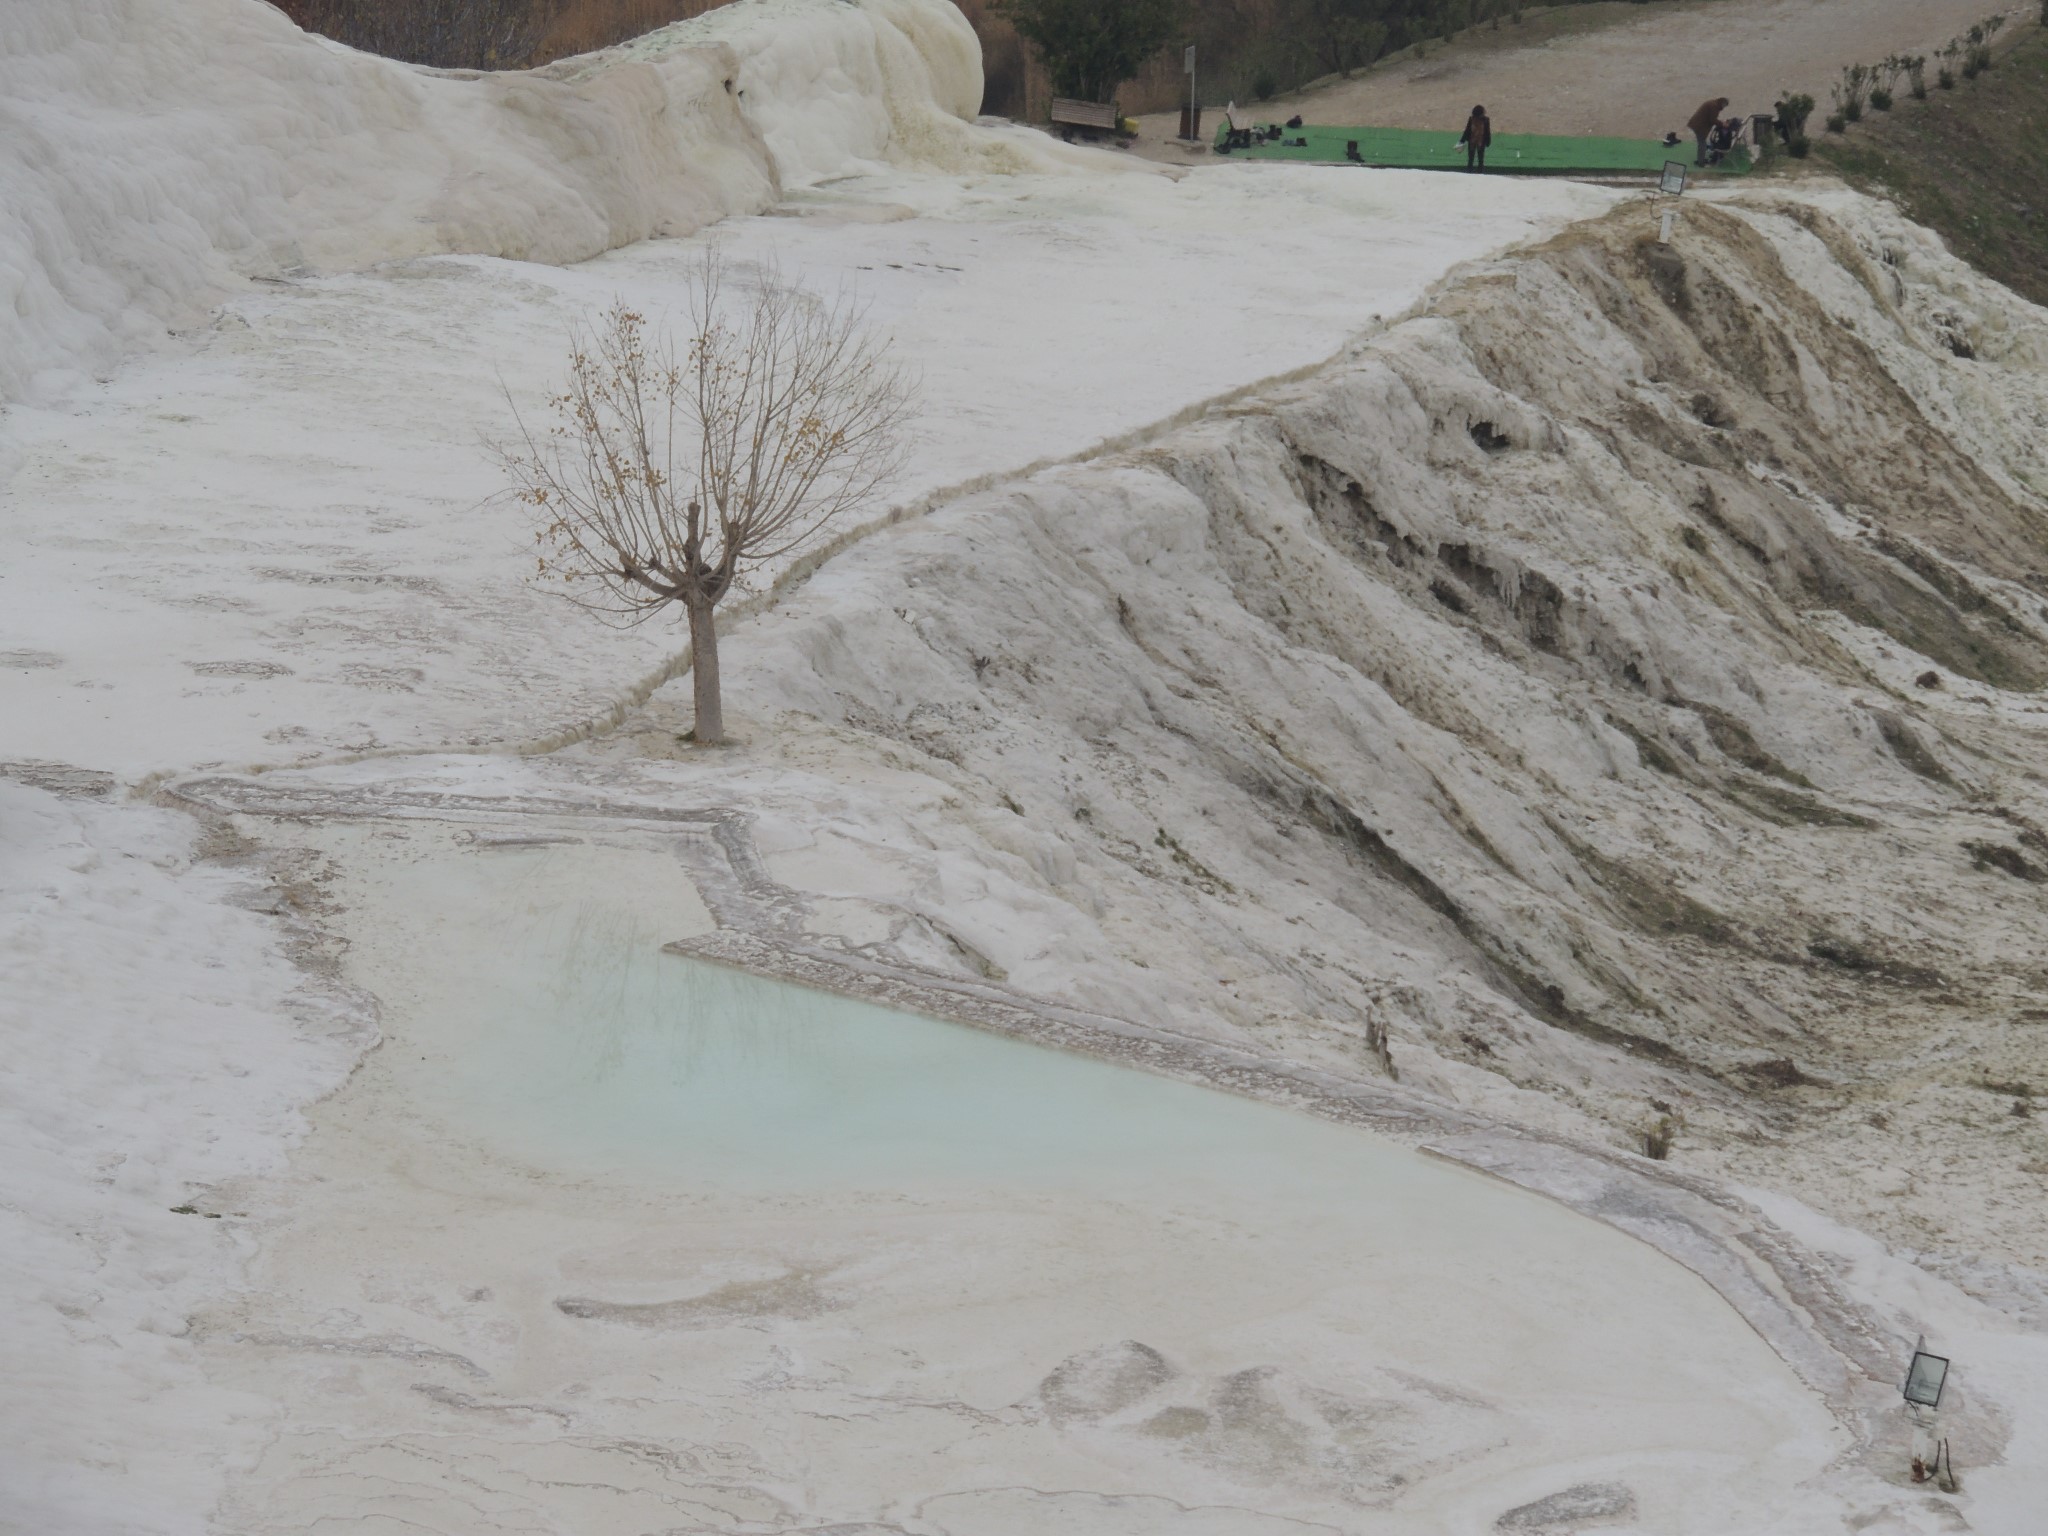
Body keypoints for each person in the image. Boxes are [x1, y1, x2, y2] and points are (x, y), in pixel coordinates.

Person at [1687, 96, 1730, 166]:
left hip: (1696, 124)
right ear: (1722, 103)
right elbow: (1712, 120)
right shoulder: (1714, 107)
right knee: (1702, 144)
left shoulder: (1713, 103)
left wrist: (1720, 123)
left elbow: (1712, 118)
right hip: (1699, 126)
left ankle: (1700, 160)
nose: (1724, 108)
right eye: (1724, 106)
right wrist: (1723, 124)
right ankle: (1700, 163)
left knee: (1702, 143)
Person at [1460, 104, 1492, 171]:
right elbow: (1468, 129)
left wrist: (1462, 140)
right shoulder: (1479, 119)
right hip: (1476, 140)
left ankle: (1473, 169)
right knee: (1475, 157)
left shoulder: (1483, 120)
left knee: (1476, 157)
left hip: (1476, 140)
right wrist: (1488, 141)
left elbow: (1467, 130)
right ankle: (1476, 169)